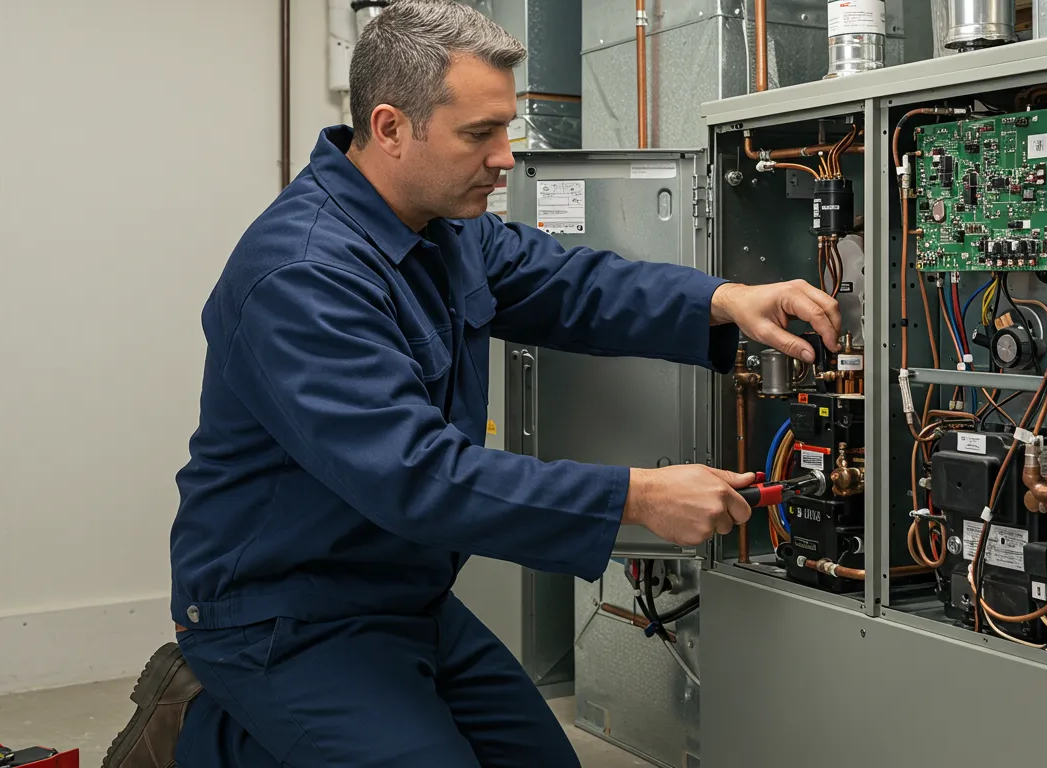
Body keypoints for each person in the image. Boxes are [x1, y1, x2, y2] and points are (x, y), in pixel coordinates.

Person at [103, 1, 840, 766]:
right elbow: (417, 475)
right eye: (479, 134)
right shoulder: (303, 275)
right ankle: (207, 737)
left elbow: (569, 284)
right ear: (390, 128)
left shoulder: (441, 226)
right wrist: (640, 497)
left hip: (404, 591)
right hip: (284, 613)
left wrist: (726, 301)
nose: (505, 158)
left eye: (506, 129)